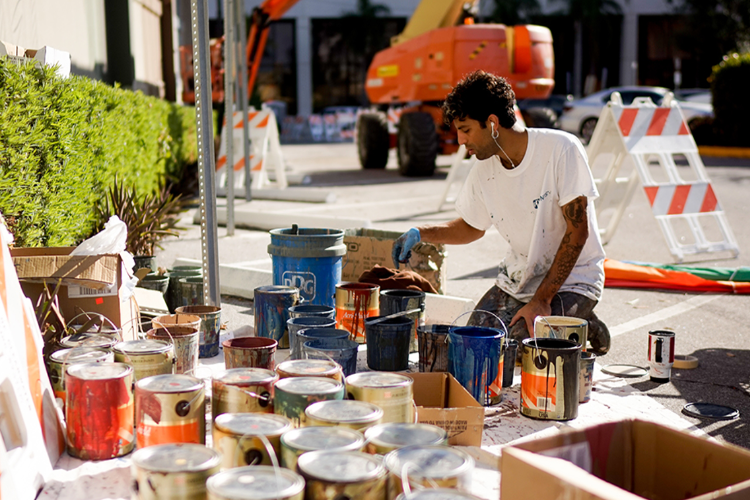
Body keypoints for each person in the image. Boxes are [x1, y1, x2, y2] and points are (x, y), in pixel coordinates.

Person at [391, 70, 611, 355]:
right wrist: (422, 233)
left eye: (466, 129)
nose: (459, 140)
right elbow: (472, 227)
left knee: (519, 348)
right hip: (520, 277)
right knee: (471, 343)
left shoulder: (561, 149)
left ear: (493, 123)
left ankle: (584, 321)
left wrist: (542, 300)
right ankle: (571, 322)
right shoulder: (484, 170)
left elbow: (578, 231)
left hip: (575, 279)